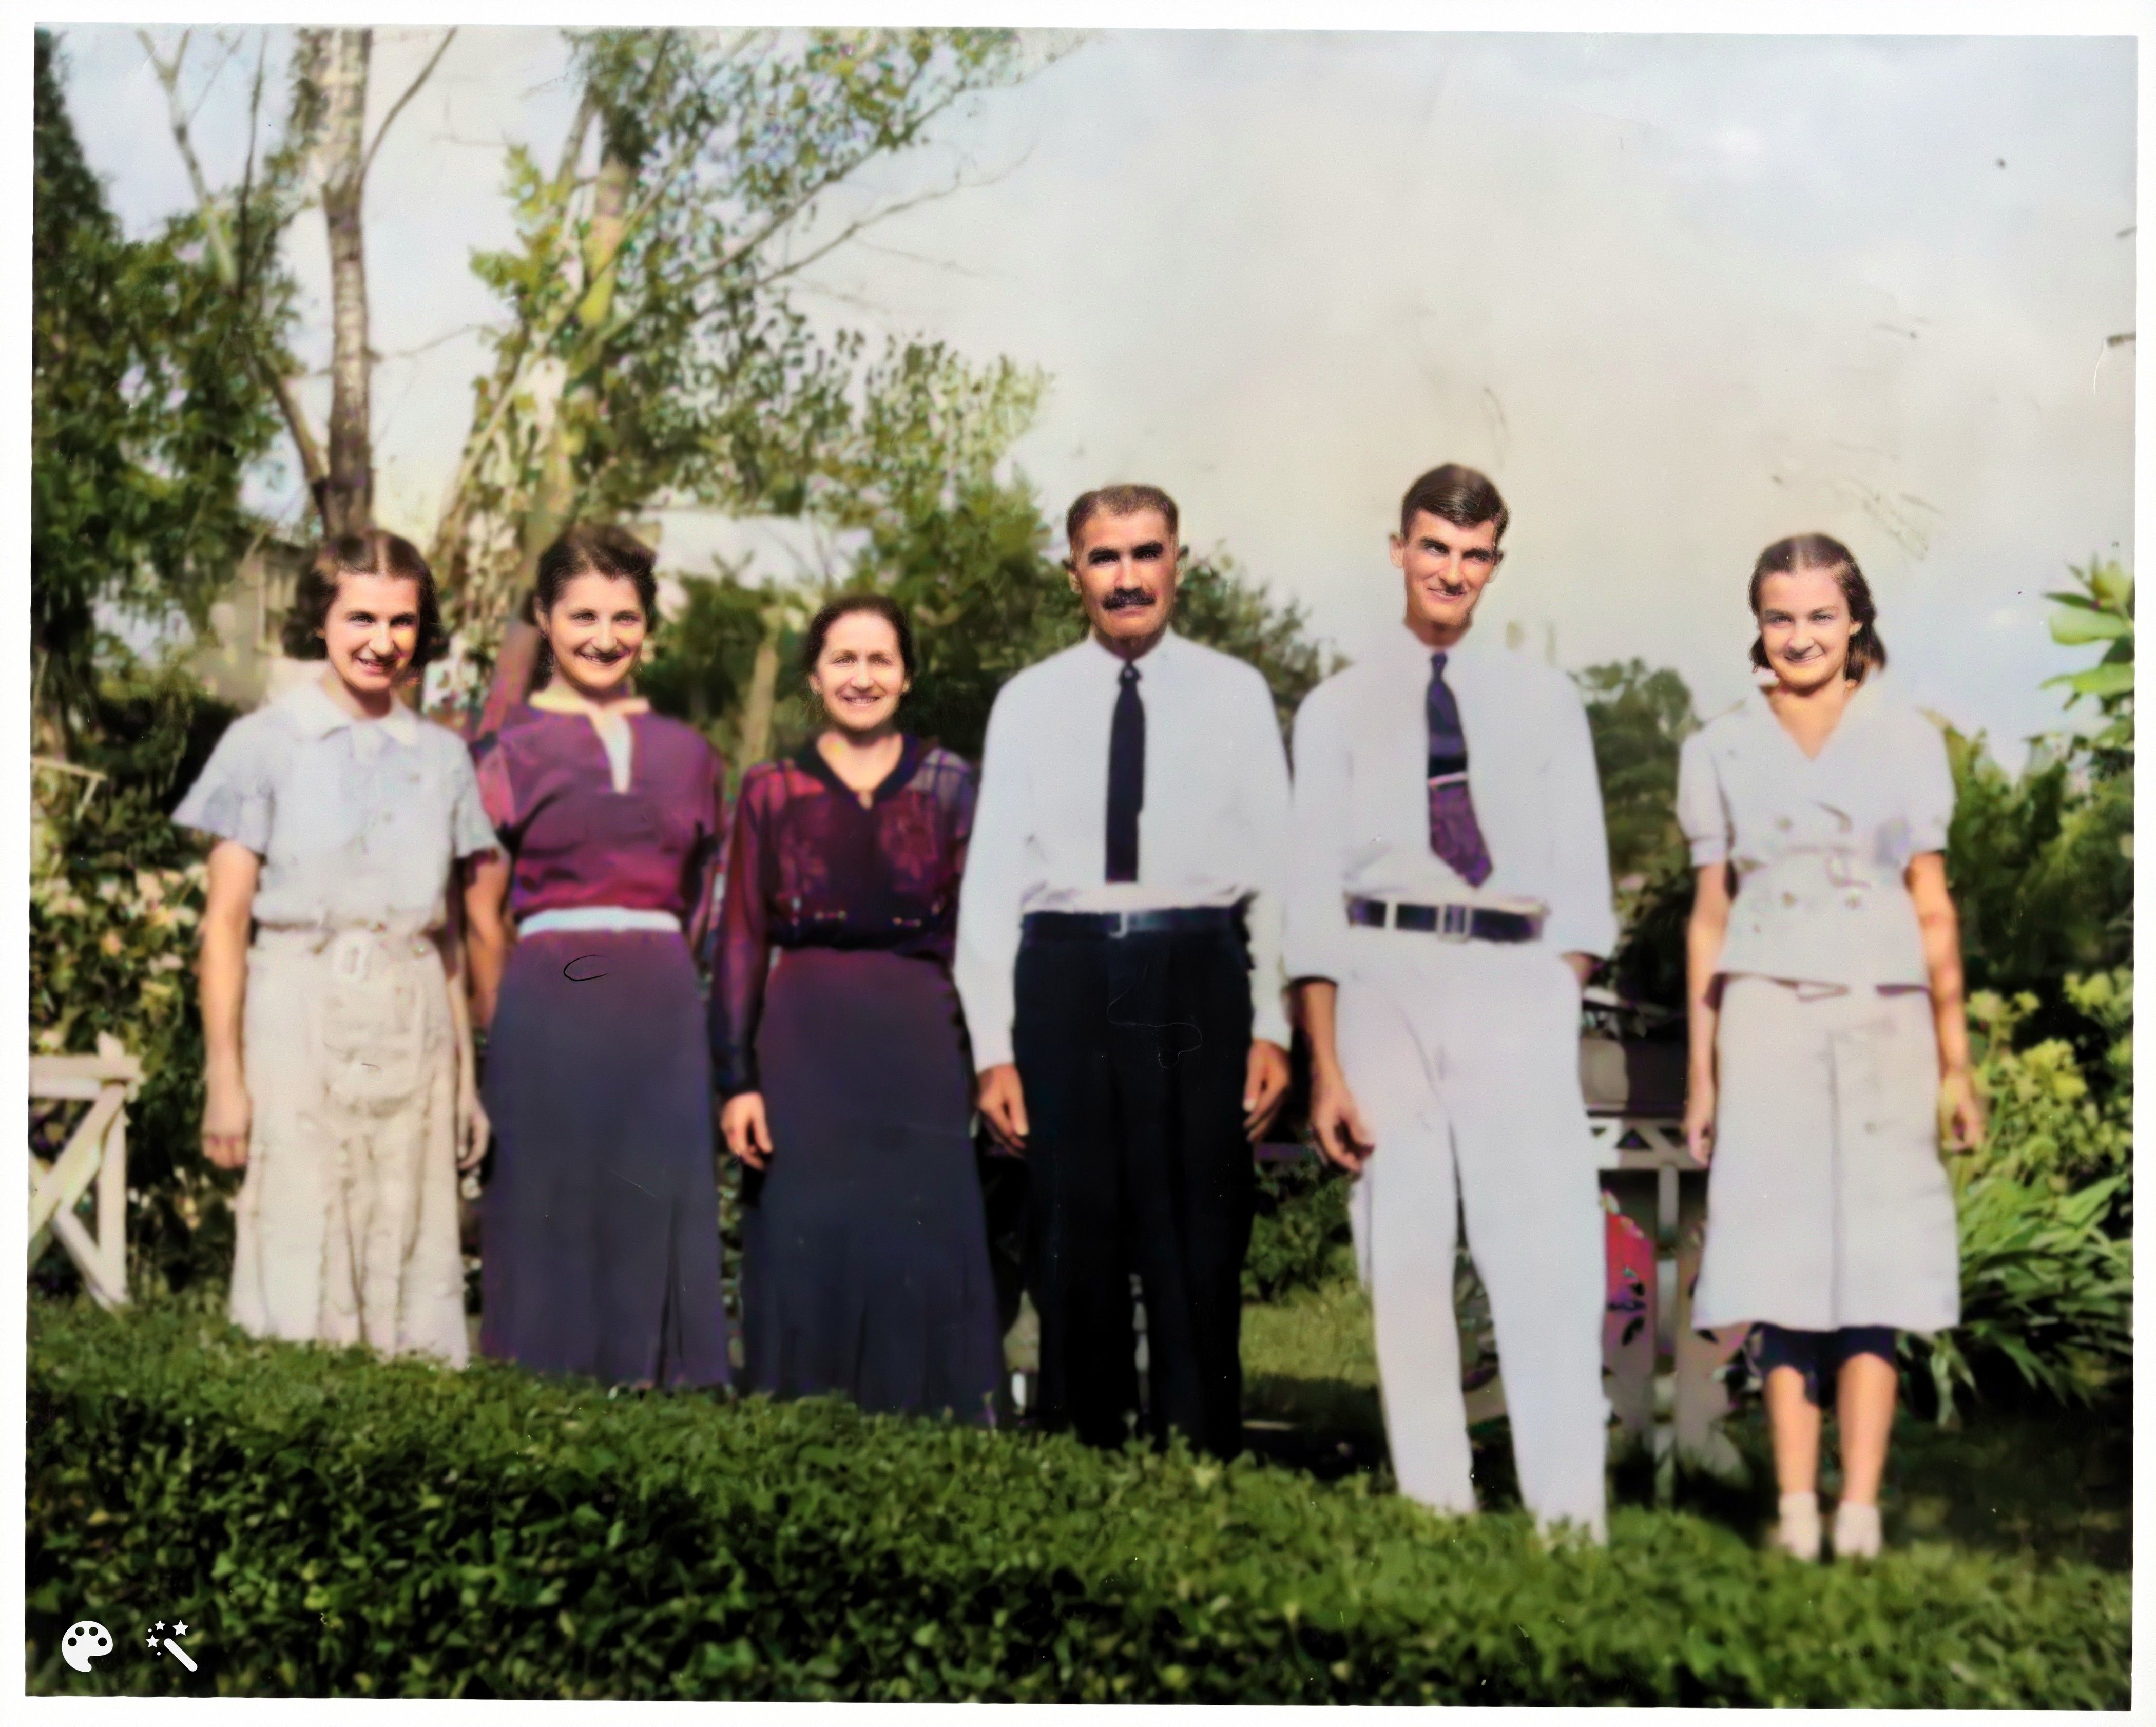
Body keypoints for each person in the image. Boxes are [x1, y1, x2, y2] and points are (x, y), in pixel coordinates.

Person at [1286, 464, 1616, 1541]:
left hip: (1512, 975)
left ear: (1496, 565)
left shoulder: (1545, 698)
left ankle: (1569, 1518)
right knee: (1406, 1252)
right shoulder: (1336, 706)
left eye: (1475, 556)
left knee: (1545, 1252)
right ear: (1399, 549)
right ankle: (1437, 1511)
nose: (1453, 572)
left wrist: (1550, 993)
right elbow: (1308, 897)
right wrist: (1326, 1062)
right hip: (1385, 974)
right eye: (1435, 548)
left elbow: (1585, 884)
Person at [956, 484, 1293, 1458]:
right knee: (1072, 1234)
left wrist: (1270, 1020)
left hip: (1195, 971)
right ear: (1074, 574)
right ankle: (1084, 1456)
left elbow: (1273, 870)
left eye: (1147, 553)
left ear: (1178, 561)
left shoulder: (1236, 694)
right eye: (1105, 558)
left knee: (1199, 1235)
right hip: (1065, 974)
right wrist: (993, 1049)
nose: (1129, 577)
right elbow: (989, 890)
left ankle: (1198, 1463)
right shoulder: (1027, 702)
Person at [1679, 532, 1980, 1562]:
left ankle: (1860, 1508)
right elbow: (1708, 916)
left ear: (1855, 620)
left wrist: (1956, 1059)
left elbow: (1933, 906)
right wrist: (1701, 1068)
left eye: (1820, 614)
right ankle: (1797, 1505)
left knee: (1875, 1269)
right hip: (1765, 1012)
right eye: (1779, 616)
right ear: (1757, 624)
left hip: (1885, 1013)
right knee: (1783, 1263)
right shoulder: (1719, 746)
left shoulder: (1905, 740)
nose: (1800, 635)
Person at [177, 530, 498, 1364]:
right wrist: (225, 1079)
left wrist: (466, 1081)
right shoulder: (263, 744)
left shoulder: (443, 758)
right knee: (301, 1243)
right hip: (299, 1016)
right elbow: (224, 924)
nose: (380, 642)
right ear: (321, 620)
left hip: (411, 1020)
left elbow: (452, 939)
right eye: (360, 617)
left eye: (401, 623)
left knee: (406, 1242)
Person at [711, 594, 1003, 1421]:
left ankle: (930, 1448)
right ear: (814, 676)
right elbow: (737, 936)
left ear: (907, 676)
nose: (862, 677)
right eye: (844, 660)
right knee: (809, 1244)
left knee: (920, 1248)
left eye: (881, 660)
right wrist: (737, 1079)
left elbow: (978, 937)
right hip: (803, 1054)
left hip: (921, 1050)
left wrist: (988, 1059)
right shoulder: (770, 790)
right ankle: (802, 1445)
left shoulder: (952, 785)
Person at [464, 524, 730, 1388]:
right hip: (548, 999)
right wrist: (509, 1029)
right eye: (581, 616)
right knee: (550, 1211)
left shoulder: (692, 756)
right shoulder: (505, 752)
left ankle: (665, 1416)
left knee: (655, 1207)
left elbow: (699, 905)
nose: (603, 637)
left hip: (658, 1007)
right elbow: (480, 912)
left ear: (648, 627)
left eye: (624, 617)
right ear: (544, 617)